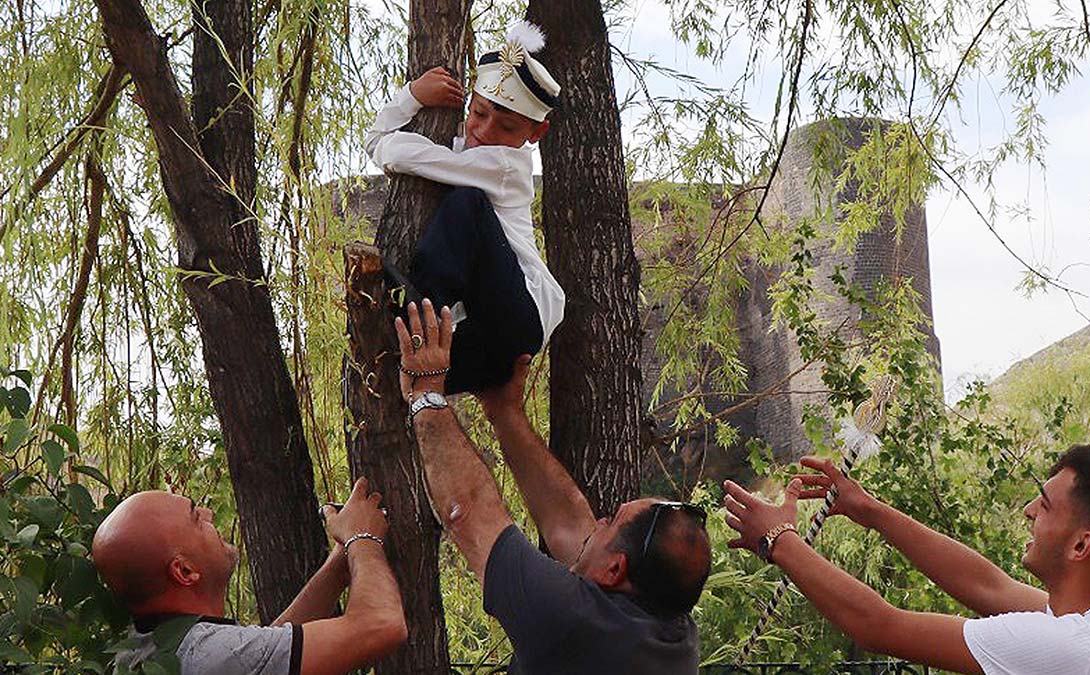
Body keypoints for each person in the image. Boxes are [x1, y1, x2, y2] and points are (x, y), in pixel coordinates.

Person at [396, 299, 712, 674]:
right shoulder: (671, 633)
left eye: (610, 521)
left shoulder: (571, 625)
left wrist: (426, 393)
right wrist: (506, 414)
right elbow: (571, 528)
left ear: (614, 571)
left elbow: (469, 514)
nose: (598, 521)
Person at [723, 446, 1090, 674]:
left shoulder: (1069, 649)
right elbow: (988, 588)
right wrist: (870, 510)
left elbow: (880, 626)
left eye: (1045, 505)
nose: (1028, 511)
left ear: (1082, 546)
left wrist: (779, 539)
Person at [363, 21, 564, 395]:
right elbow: (385, 147)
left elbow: (387, 148)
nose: (485, 133)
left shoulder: (503, 166)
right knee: (394, 373)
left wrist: (412, 97)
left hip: (520, 318)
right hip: (482, 347)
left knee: (466, 203)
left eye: (506, 126)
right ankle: (414, 341)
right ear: (469, 102)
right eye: (479, 113)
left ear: (535, 134)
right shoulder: (460, 155)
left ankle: (415, 311)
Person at [93, 477, 406, 674]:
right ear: (185, 571)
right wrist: (363, 538)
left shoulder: (141, 651)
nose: (209, 514)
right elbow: (381, 626)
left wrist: (341, 561)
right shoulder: (208, 655)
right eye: (195, 517)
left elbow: (265, 655)